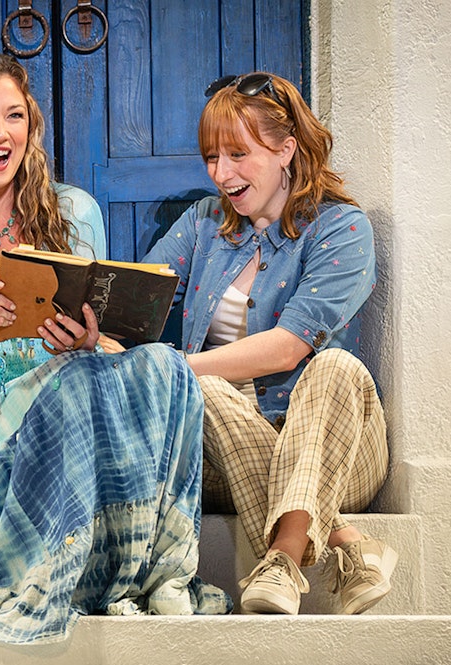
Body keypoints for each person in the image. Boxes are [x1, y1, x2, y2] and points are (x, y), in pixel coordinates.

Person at [0, 51, 229, 643]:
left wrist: (91, 338)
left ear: (30, 128)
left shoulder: (76, 211)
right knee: (72, 384)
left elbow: (109, 335)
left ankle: (162, 573)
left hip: (80, 394)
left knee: (165, 364)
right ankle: (77, 578)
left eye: (13, 116)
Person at [144, 72, 396, 616]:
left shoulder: (341, 228)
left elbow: (287, 349)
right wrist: (100, 325)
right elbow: (140, 295)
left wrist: (181, 365)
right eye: (211, 156)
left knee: (334, 367)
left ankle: (283, 553)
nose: (221, 173)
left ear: (286, 149)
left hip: (337, 445)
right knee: (199, 390)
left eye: (238, 153)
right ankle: (345, 545)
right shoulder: (203, 224)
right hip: (224, 451)